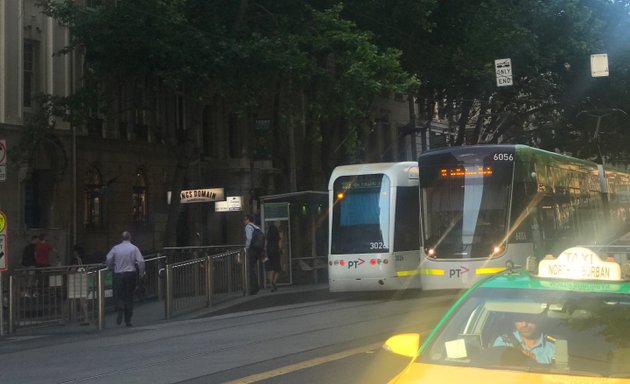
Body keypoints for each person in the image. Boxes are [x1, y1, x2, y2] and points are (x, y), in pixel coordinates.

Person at [105, 231, 145, 327]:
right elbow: (141, 261)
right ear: (130, 238)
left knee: (119, 293)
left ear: (121, 238)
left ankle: (120, 307)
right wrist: (141, 273)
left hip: (119, 273)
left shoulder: (116, 248)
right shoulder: (134, 248)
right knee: (129, 296)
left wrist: (110, 267)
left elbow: (108, 259)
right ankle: (128, 319)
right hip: (130, 273)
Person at [68, 245, 90, 325]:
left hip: (75, 281)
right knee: (83, 300)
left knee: (71, 299)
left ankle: (70, 317)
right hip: (84, 279)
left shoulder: (74, 260)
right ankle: (86, 317)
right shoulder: (85, 259)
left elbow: (72, 270)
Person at [244, 214, 264, 295]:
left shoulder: (248, 227)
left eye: (245, 219)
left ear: (248, 220)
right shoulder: (256, 227)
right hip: (257, 250)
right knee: (253, 268)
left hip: (252, 249)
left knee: (250, 268)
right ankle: (255, 286)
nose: (244, 221)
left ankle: (254, 287)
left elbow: (249, 238)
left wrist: (247, 247)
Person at [265, 223, 281, 292]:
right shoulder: (277, 236)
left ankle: (271, 286)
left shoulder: (267, 236)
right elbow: (280, 245)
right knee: (277, 269)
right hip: (276, 252)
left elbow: (265, 244)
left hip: (269, 253)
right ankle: (274, 282)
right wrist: (280, 249)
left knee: (270, 269)